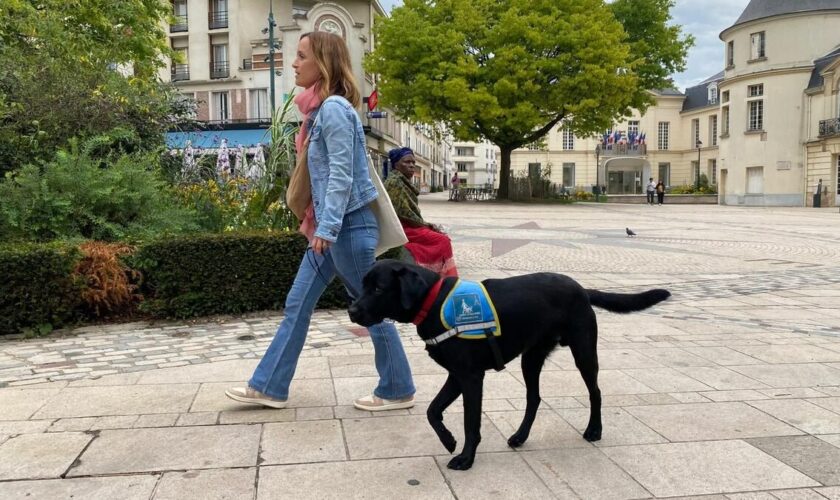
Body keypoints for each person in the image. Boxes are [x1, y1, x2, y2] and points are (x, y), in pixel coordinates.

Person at [225, 31, 415, 412]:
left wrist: (326, 230)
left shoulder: (333, 110)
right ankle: (270, 386)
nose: (294, 63)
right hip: (330, 229)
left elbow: (342, 174)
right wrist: (324, 228)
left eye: (301, 56)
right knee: (298, 303)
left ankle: (397, 387)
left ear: (322, 63)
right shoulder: (318, 111)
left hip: (345, 228)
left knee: (370, 308)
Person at [386, 147, 458, 277]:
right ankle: (444, 278)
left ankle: (440, 276)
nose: (412, 165)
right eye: (407, 162)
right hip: (403, 228)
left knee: (439, 235)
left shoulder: (402, 181)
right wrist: (426, 225)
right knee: (442, 240)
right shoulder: (395, 182)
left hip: (408, 225)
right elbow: (403, 213)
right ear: (396, 164)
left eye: (413, 162)